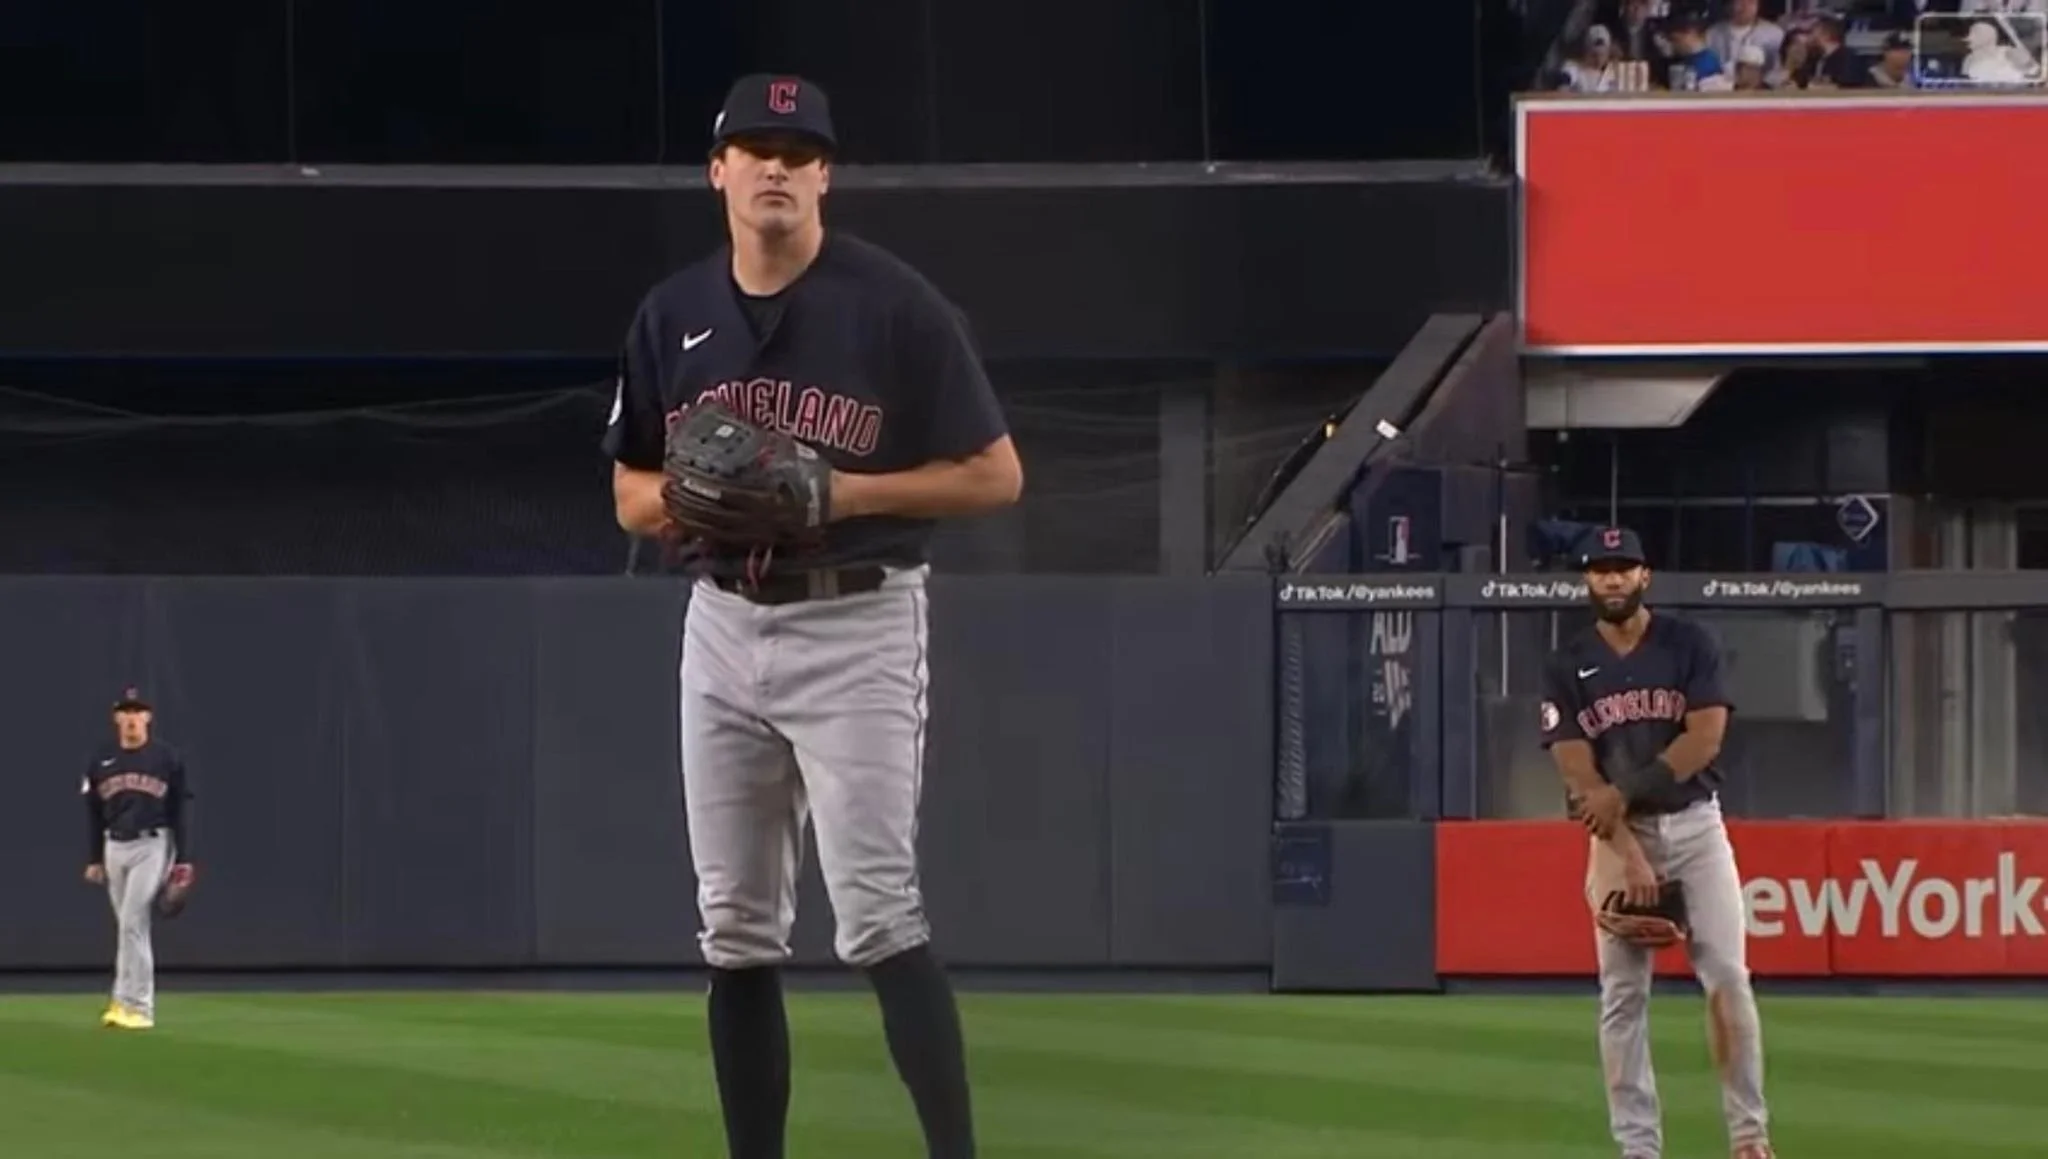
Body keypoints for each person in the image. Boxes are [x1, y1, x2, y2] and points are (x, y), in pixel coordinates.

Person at [601, 74, 1022, 1159]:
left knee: (877, 911)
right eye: (756, 149)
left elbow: (996, 475)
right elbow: (630, 490)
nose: (776, 168)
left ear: (826, 176)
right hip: (721, 621)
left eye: (798, 152)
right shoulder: (671, 315)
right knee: (735, 925)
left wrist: (843, 493)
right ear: (719, 172)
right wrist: (691, 499)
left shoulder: (897, 307)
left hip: (857, 621)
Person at [1537, 528, 1773, 1159]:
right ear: (1586, 580)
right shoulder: (1567, 663)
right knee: (1622, 995)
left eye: (1624, 567)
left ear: (1645, 576)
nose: (1612, 578)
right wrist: (1628, 851)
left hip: (1695, 826)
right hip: (1617, 837)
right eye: (1600, 569)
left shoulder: (1688, 643)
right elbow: (1577, 773)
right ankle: (1638, 1148)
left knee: (1728, 977)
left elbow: (1705, 740)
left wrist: (1624, 792)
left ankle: (1749, 1137)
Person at [82, 687, 195, 1031]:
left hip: (153, 844)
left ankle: (141, 1007)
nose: (132, 717)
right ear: (116, 717)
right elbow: (93, 812)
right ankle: (122, 1001)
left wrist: (183, 858)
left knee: (133, 921)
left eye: (138, 711)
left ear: (148, 717)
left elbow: (179, 809)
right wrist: (95, 857)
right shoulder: (102, 760)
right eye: (126, 711)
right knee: (127, 926)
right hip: (114, 845)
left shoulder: (166, 757)